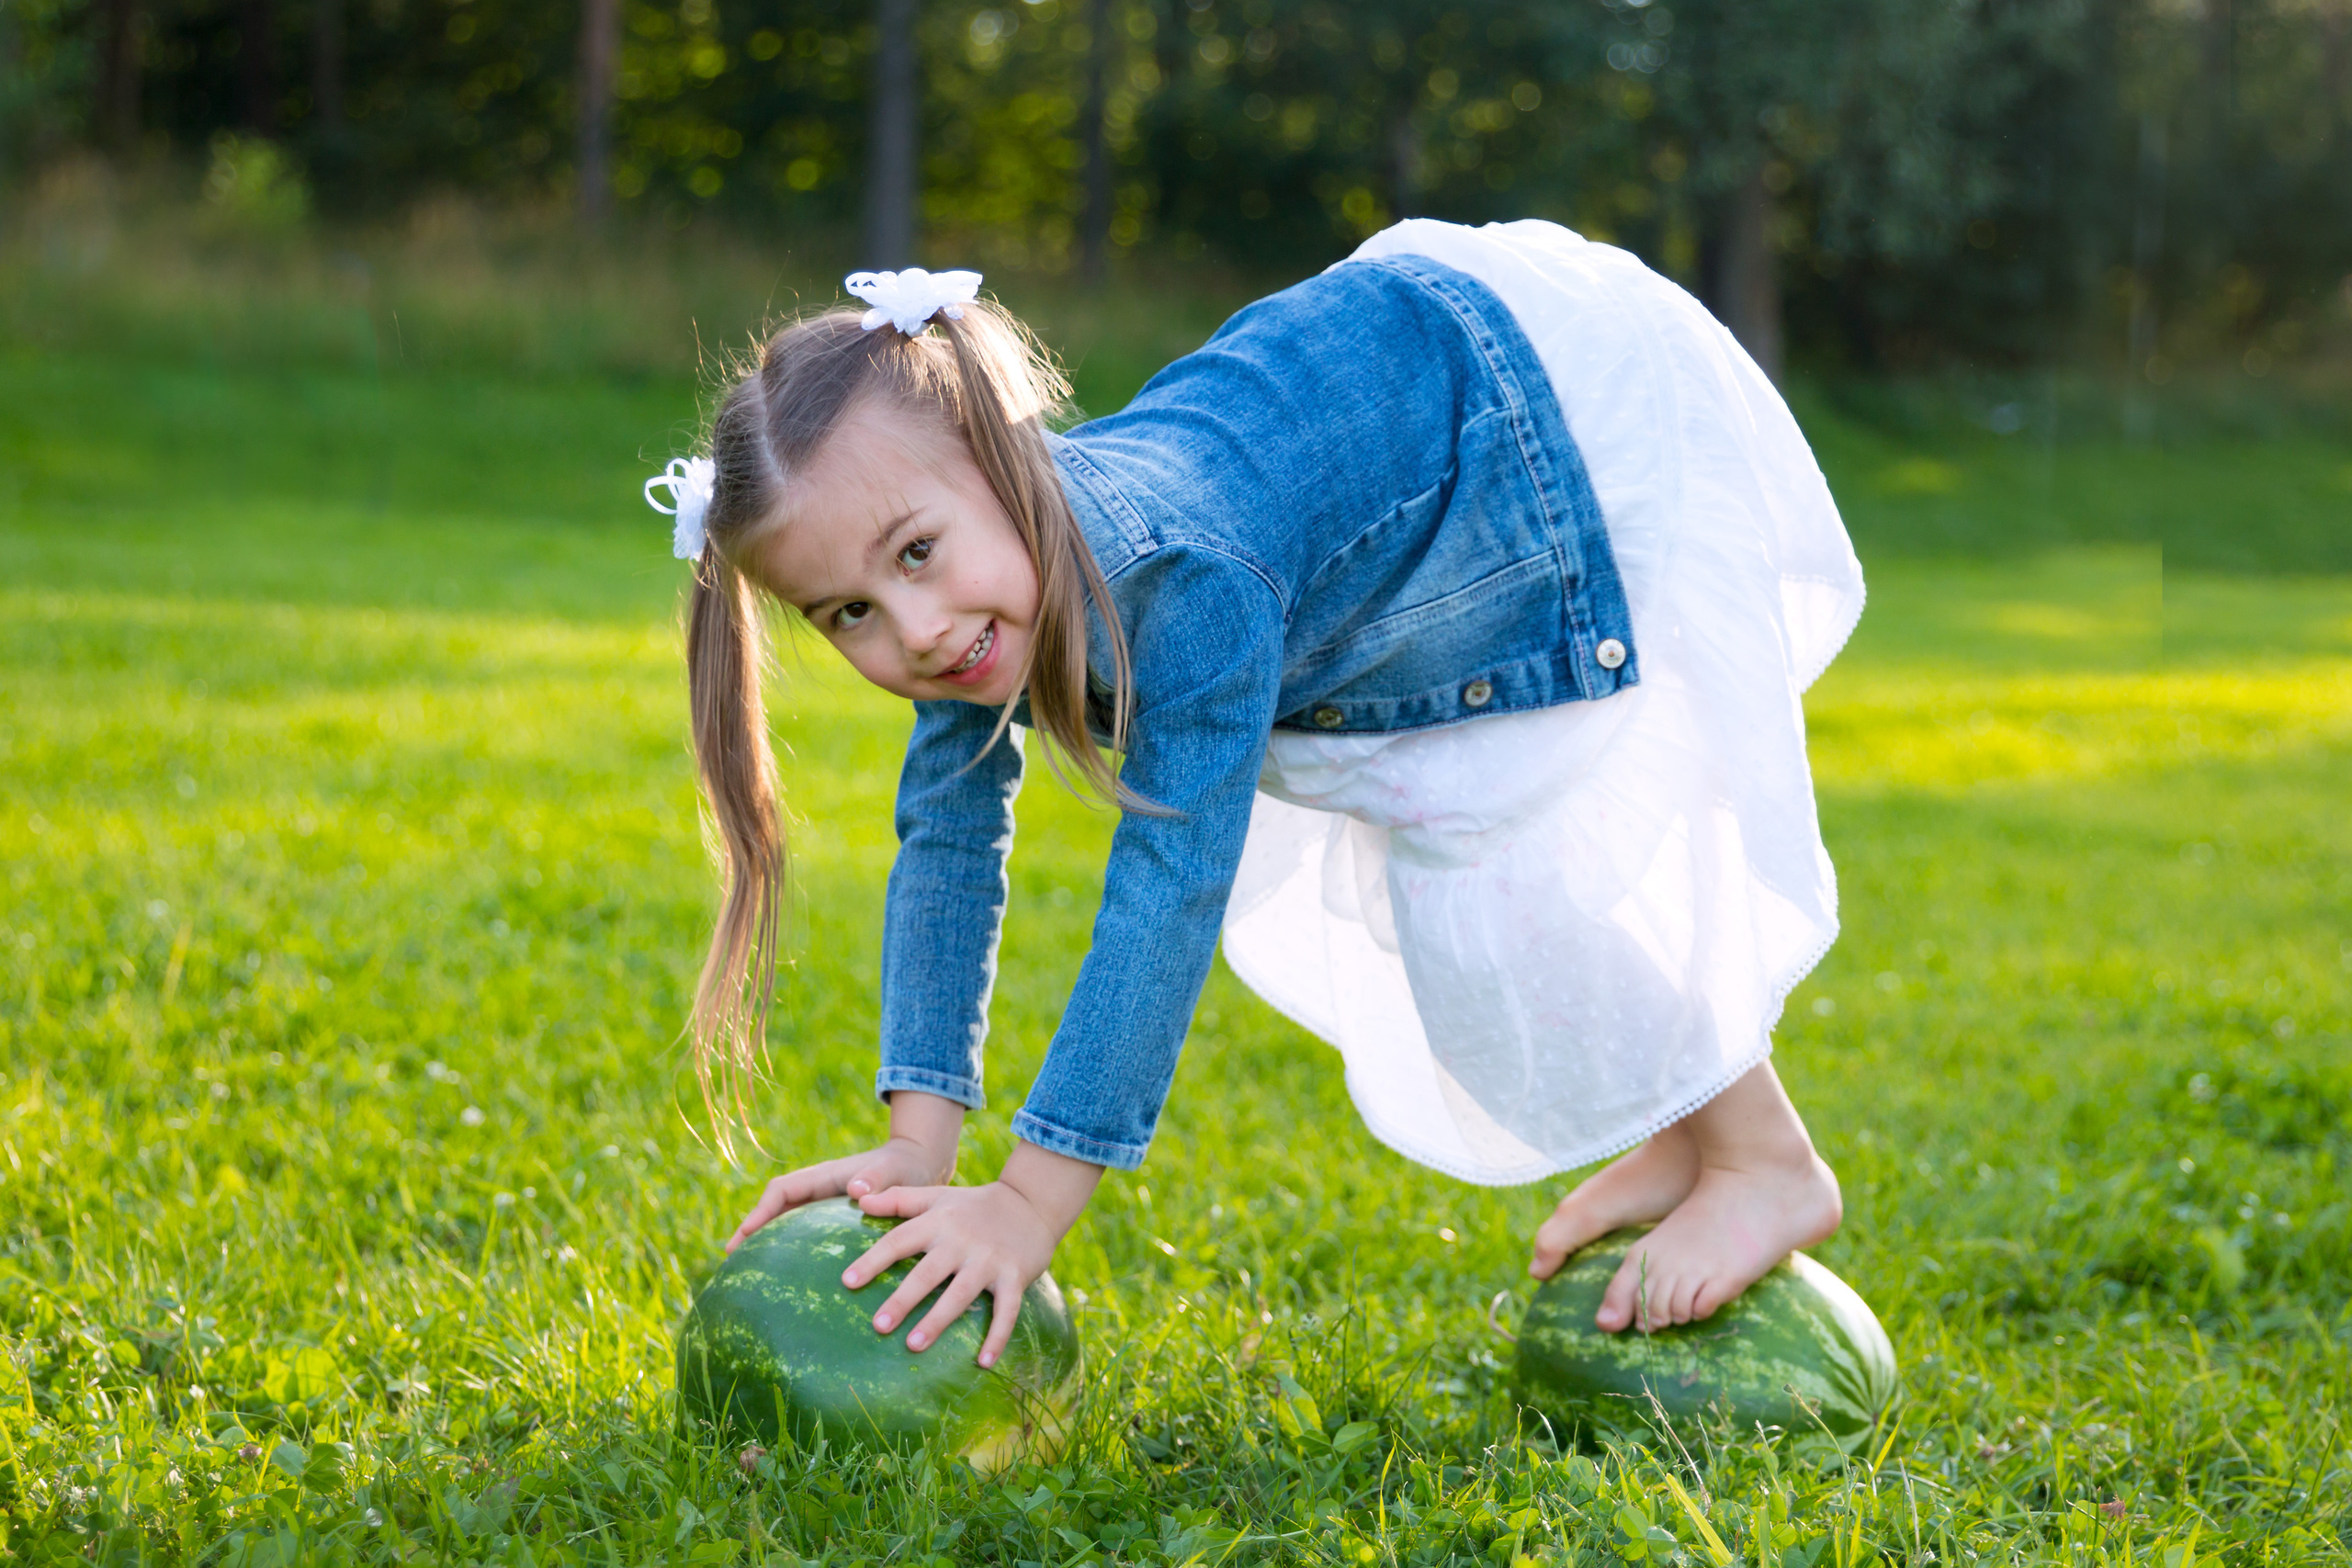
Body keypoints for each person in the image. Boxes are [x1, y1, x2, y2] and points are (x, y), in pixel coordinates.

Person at [645, 220, 1864, 1371]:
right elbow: (947, 844)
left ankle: (1764, 1162)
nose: (913, 629)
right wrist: (919, 1146)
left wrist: (1025, 1202)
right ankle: (1695, 1132)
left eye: (917, 552)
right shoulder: (979, 602)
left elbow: (1165, 894)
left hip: (1501, 430)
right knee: (1464, 853)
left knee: (1493, 855)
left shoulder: (1187, 583)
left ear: (1004, 461)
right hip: (1385, 397)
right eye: (848, 612)